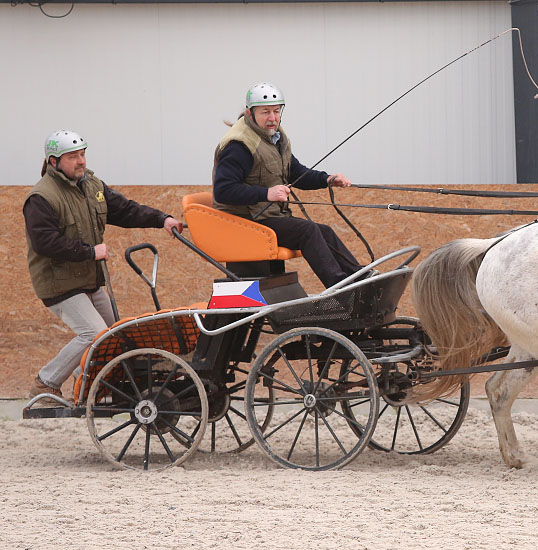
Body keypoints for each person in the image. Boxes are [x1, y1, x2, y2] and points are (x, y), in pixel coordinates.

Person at [23, 130, 183, 407]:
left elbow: (126, 210)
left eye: (82, 154)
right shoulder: (42, 198)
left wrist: (163, 219)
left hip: (88, 279)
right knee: (94, 334)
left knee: (117, 334)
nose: (81, 161)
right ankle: (45, 384)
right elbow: (44, 242)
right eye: (72, 157)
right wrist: (89, 252)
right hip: (58, 283)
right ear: (53, 162)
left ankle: (85, 382)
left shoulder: (92, 186)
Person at [211, 82, 364, 288]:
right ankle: (340, 287)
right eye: (265, 112)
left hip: (266, 216)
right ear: (250, 112)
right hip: (245, 221)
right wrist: (267, 193)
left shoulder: (274, 137)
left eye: (276, 111)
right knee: (306, 231)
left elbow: (296, 171)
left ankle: (360, 280)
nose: (272, 118)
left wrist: (326, 179)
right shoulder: (239, 145)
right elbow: (223, 191)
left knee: (324, 231)